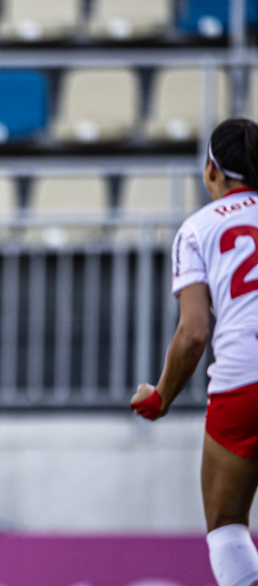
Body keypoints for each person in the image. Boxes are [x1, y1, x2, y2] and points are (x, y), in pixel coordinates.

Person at [132, 117, 258, 586]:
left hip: (241, 386)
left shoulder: (197, 229)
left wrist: (161, 396)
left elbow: (193, 334)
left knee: (227, 528)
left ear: (211, 171)